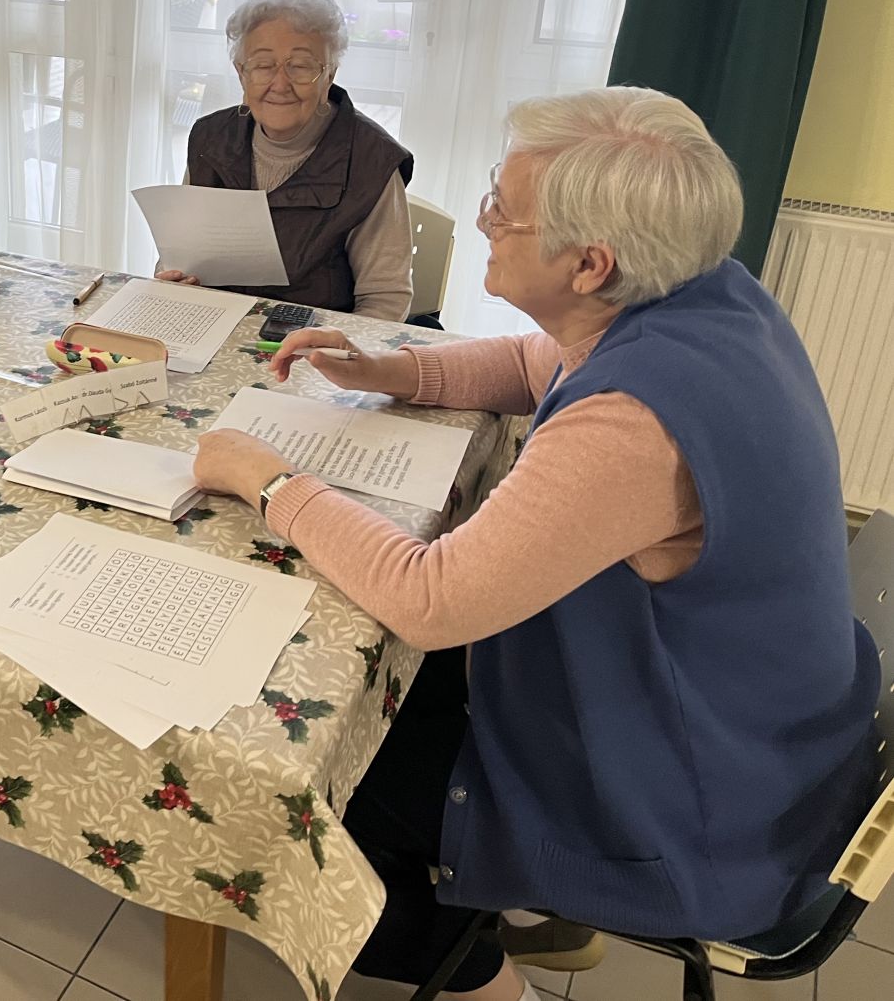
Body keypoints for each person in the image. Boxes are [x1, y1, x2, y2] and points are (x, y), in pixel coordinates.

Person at [192, 87, 878, 999]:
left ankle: (483, 977)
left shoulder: (633, 423)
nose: (482, 218)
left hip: (688, 799)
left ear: (590, 264)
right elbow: (532, 360)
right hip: (756, 719)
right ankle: (531, 916)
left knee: (292, 793)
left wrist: (268, 479)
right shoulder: (706, 290)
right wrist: (390, 368)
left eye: (501, 209)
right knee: (372, 682)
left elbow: (431, 599)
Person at [160, 0, 415, 320]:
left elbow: (385, 301)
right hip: (213, 328)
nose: (280, 84)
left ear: (329, 75)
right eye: (263, 65)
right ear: (241, 73)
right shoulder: (210, 138)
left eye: (301, 66)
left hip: (319, 341)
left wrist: (330, 348)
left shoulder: (372, 160)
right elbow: (179, 259)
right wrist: (176, 280)